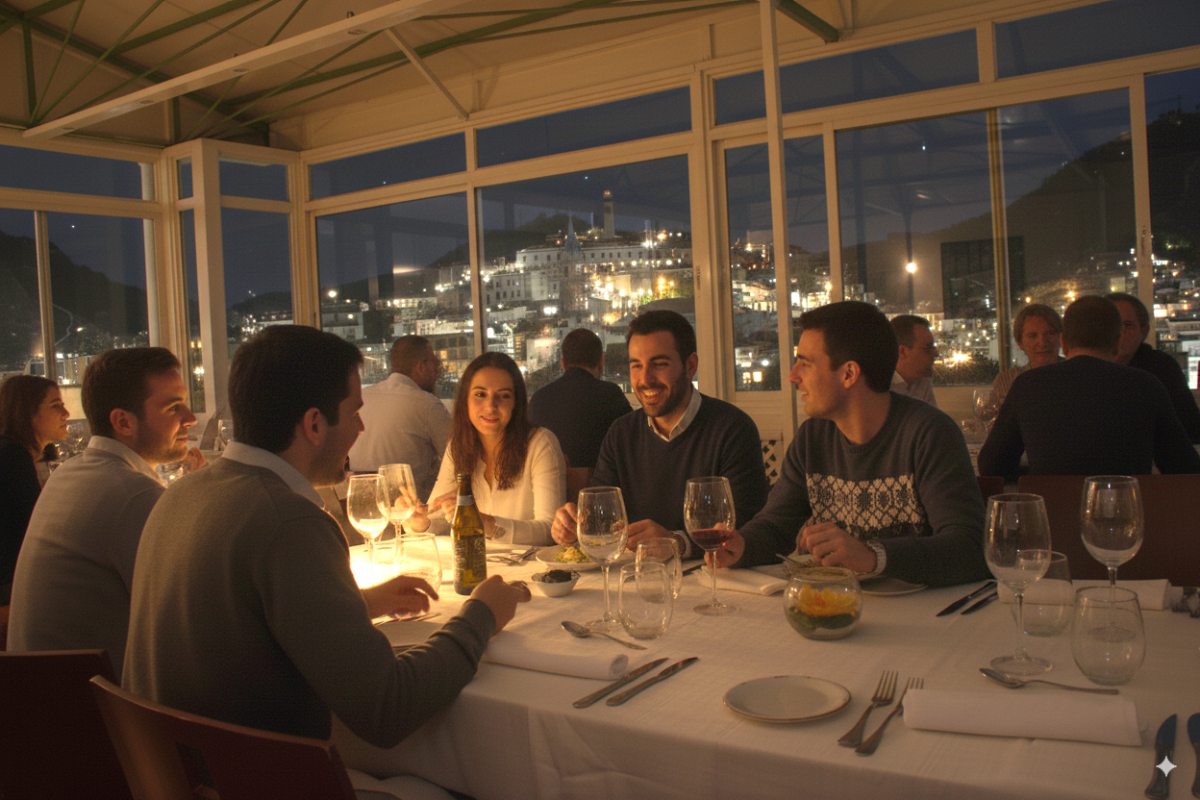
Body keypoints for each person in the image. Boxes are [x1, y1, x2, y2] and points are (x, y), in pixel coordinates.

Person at [123, 325, 530, 751]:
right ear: (314, 424)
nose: (361, 428)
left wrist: (358, 604)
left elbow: (244, 627)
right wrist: (481, 615)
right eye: (354, 413)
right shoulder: (290, 522)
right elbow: (388, 707)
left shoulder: (180, 495)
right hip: (259, 776)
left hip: (172, 770)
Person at [709, 301, 987, 588]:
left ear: (849, 374)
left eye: (805, 364)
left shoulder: (929, 434)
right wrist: (741, 545)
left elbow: (970, 548)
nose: (793, 377)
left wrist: (873, 556)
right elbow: (776, 525)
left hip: (929, 610)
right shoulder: (812, 437)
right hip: (839, 601)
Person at [6, 348, 203, 670]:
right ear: (123, 422)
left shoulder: (72, 472)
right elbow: (190, 617)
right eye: (173, 407)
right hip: (88, 697)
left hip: (35, 690)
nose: (190, 418)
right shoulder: (134, 494)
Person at [551, 310, 769, 558]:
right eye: (636, 366)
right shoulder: (621, 433)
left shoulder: (733, 429)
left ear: (690, 366)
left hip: (713, 576)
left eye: (659, 364)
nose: (645, 379)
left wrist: (677, 543)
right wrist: (573, 526)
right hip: (635, 574)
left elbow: (745, 529)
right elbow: (601, 517)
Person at [978, 296, 1200, 480]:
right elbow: (1185, 467)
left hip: (1052, 514)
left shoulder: (1028, 386)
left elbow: (991, 466)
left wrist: (1036, 478)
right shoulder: (1146, 385)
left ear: (1063, 342)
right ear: (1116, 341)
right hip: (1127, 514)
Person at [408, 351, 565, 546]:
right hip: (472, 560)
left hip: (528, 563)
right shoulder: (458, 446)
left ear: (516, 403)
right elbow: (438, 518)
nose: (490, 406)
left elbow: (550, 530)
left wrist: (486, 523)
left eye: (504, 396)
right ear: (465, 400)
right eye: (480, 395)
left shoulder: (541, 444)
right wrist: (420, 522)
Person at [347, 335, 451, 498]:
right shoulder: (428, 405)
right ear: (421, 367)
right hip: (408, 507)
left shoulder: (362, 397)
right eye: (434, 364)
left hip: (356, 501)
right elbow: (457, 459)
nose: (436, 372)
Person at [0, 375, 69, 604]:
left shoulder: (12, 453)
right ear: (28, 413)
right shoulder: (12, 457)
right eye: (55, 406)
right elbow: (37, 532)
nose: (66, 413)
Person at [528, 328, 631, 470]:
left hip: (552, 481)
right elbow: (633, 441)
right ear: (601, 361)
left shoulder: (538, 400)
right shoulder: (610, 394)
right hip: (602, 482)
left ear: (563, 364)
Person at [1107, 292, 1200, 443]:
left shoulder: (1161, 368)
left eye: (1127, 326)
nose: (1118, 333)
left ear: (1143, 332)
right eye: (1110, 325)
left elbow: (1189, 427)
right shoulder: (1087, 370)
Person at [990, 304, 1063, 404]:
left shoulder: (1076, 376)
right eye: (1032, 336)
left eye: (1050, 333)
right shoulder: (1007, 382)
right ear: (1020, 343)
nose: (1042, 342)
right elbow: (992, 413)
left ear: (1061, 338)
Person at [889, 314, 939, 407]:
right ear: (902, 352)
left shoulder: (922, 380)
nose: (936, 354)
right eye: (927, 348)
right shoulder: (876, 385)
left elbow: (930, 416)